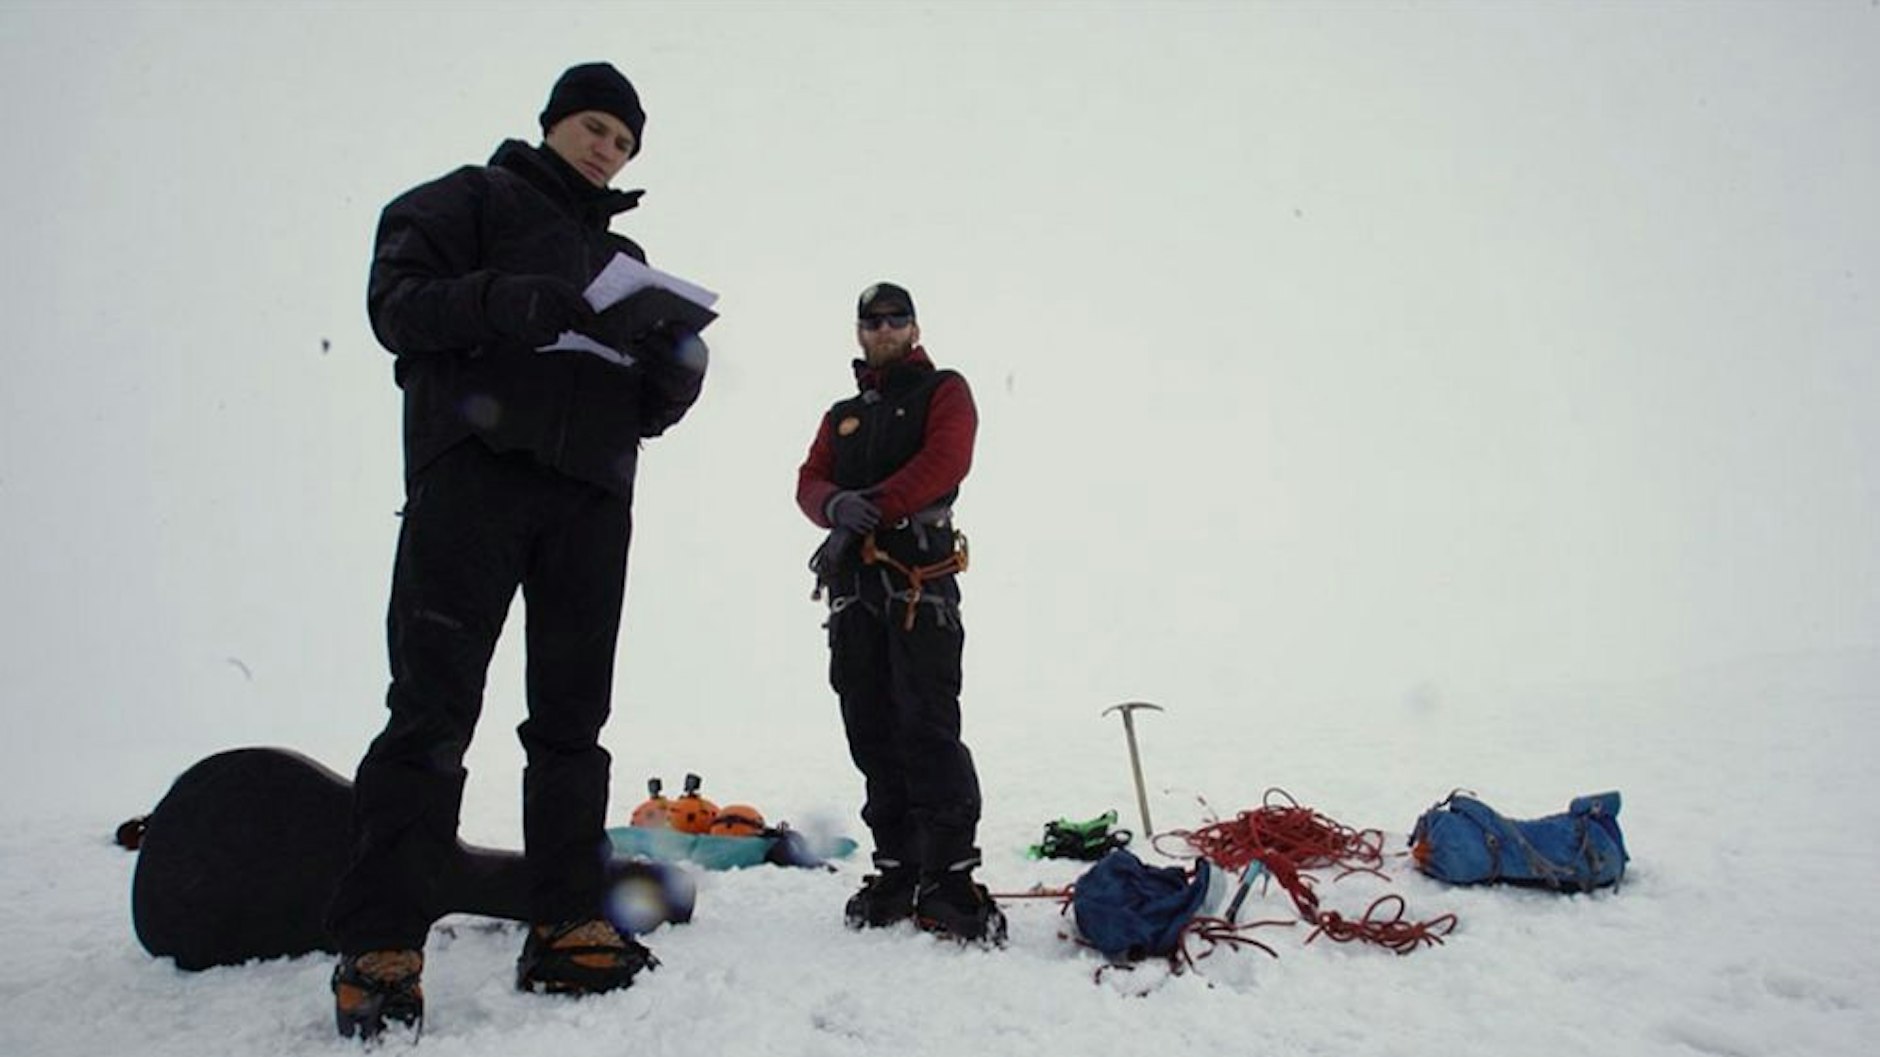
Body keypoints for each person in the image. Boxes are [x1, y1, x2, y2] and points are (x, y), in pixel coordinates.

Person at [325, 62, 708, 1040]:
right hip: (474, 471)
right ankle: (382, 942)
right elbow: (395, 307)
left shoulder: (625, 257)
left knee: (573, 718)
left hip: (590, 498)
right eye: (593, 127)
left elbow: (642, 406)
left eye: (623, 141)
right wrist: (504, 299)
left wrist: (669, 378)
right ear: (550, 124)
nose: (605, 148)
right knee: (431, 706)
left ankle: (565, 918)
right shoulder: (469, 199)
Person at [796, 282, 1006, 945]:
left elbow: (947, 459)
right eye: (872, 320)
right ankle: (898, 865)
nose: (884, 328)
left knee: (929, 725)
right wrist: (832, 508)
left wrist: (869, 507)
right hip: (856, 592)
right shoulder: (842, 415)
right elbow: (809, 478)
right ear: (858, 332)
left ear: (914, 328)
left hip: (921, 585)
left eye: (896, 319)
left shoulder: (944, 389)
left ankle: (949, 874)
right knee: (871, 725)